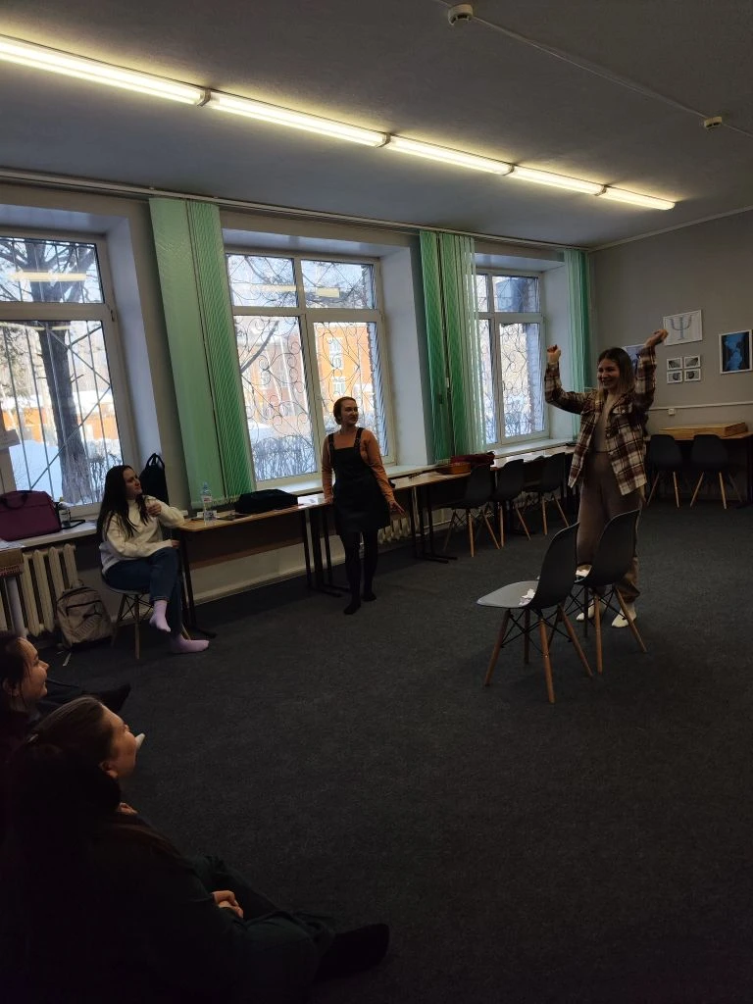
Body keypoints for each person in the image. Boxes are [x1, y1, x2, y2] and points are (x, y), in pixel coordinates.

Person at [0, 696, 389, 1003]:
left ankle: (314, 947)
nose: (130, 729)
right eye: (123, 729)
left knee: (211, 868)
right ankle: (313, 946)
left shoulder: (43, 825)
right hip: (146, 984)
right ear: (106, 768)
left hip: (114, 956)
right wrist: (223, 918)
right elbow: (214, 962)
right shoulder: (125, 850)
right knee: (292, 938)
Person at [544, 329, 668, 627]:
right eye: (600, 370)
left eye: (609, 369)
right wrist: (553, 364)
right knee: (586, 542)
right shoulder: (593, 400)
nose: (603, 375)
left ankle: (627, 602)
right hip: (591, 480)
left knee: (622, 541)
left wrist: (648, 350)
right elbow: (555, 396)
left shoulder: (633, 401)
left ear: (622, 370)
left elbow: (646, 390)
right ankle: (595, 598)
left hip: (623, 479)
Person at [97, 465, 208, 654]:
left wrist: (162, 511)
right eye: (130, 480)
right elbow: (121, 551)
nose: (137, 482)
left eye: (136, 477)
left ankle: (159, 612)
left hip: (150, 560)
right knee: (169, 575)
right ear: (119, 487)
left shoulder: (148, 501)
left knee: (169, 555)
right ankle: (176, 640)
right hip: (119, 568)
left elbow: (178, 521)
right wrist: (160, 545)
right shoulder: (111, 516)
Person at [321, 397, 404, 615]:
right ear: (338, 415)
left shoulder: (366, 436)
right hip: (344, 501)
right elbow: (326, 470)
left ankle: (367, 588)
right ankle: (354, 597)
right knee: (350, 549)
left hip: (369, 497)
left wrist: (389, 497)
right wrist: (328, 495)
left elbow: (378, 468)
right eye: (348, 410)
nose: (353, 413)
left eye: (356, 409)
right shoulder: (329, 441)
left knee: (370, 545)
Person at [0, 630, 130, 766]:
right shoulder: (23, 753)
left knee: (49, 686)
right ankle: (94, 705)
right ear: (12, 686)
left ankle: (95, 700)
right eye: (36, 662)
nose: (46, 665)